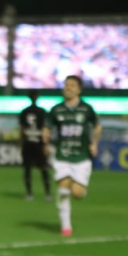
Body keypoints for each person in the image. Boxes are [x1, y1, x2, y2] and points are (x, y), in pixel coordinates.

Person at [43, 75, 101, 237]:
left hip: (81, 158)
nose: (68, 88)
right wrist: (45, 143)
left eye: (72, 85)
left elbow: (97, 126)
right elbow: (47, 128)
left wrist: (94, 143)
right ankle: (66, 226)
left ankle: (80, 191)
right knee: (63, 188)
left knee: (76, 193)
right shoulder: (57, 109)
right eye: (66, 85)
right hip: (62, 156)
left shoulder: (86, 109)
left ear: (79, 90)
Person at [19, 90, 51, 201]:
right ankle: (47, 194)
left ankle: (29, 194)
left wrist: (21, 144)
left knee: (27, 169)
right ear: (37, 97)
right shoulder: (42, 112)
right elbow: (45, 129)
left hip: (28, 143)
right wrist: (46, 144)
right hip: (39, 143)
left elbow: (22, 130)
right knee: (43, 169)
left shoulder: (24, 112)